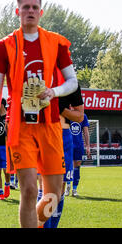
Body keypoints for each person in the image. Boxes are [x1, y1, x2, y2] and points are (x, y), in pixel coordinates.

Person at [0, 0, 78, 228]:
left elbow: (72, 82)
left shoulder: (56, 42)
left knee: (54, 194)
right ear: (18, 12)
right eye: (26, 7)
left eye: (35, 7)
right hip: (20, 127)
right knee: (28, 189)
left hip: (50, 125)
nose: (31, 11)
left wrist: (53, 92)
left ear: (41, 12)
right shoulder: (3, 46)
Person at [44, 84, 84, 228]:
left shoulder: (71, 82)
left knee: (59, 190)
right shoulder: (39, 74)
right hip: (42, 133)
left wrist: (60, 108)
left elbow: (80, 116)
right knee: (43, 189)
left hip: (64, 137)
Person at [69, 113, 90, 196]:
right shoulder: (66, 114)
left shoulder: (83, 116)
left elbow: (86, 131)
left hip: (78, 145)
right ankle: (67, 185)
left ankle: (74, 189)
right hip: (67, 144)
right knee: (67, 166)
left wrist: (88, 146)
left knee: (77, 166)